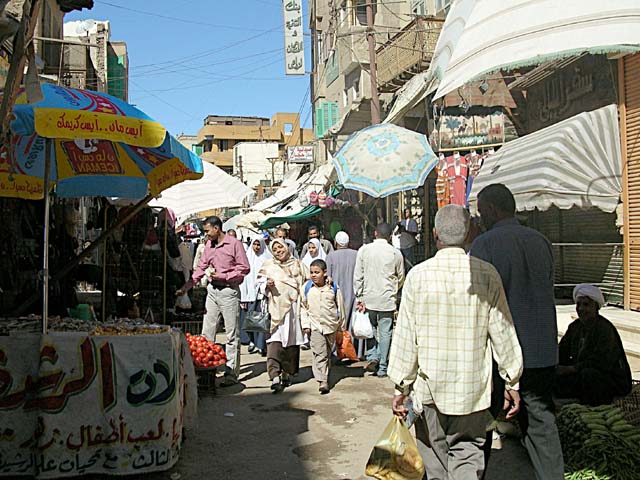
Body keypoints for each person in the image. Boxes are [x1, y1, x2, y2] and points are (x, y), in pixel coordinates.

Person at [389, 205, 523, 479]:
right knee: (467, 456)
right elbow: (503, 332)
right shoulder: (487, 275)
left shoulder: (418, 277)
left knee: (436, 462)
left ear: (435, 234)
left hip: (430, 391)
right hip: (472, 392)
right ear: (470, 233)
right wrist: (511, 381)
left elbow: (406, 337)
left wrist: (401, 385)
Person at [470, 183, 564, 479]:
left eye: (481, 211)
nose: (480, 217)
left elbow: (479, 301)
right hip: (542, 351)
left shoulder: (484, 245)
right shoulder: (541, 241)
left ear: (492, 210)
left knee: (483, 422)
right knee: (542, 425)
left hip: (503, 355)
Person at [176, 216, 250, 387]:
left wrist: (224, 276)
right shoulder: (209, 245)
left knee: (232, 334)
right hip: (212, 291)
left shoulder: (234, 244)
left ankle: (231, 372)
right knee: (207, 332)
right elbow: (201, 267)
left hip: (228, 291)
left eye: (208, 230)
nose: (206, 234)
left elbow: (244, 268)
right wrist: (186, 287)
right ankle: (206, 369)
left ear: (217, 228)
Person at [556, 284, 632, 406]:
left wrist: (572, 369)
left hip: (608, 377)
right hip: (580, 372)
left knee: (589, 375)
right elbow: (562, 351)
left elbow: (602, 362)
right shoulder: (575, 327)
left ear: (595, 307)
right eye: (578, 305)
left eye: (586, 305)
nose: (581, 309)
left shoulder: (605, 329)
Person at [258, 238, 310, 393]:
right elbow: (258, 282)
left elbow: (308, 282)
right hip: (275, 309)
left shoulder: (299, 265)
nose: (278, 252)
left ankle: (287, 373)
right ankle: (274, 375)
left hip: (293, 310)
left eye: (280, 248)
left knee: (291, 343)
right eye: (275, 250)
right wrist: (266, 284)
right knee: (274, 342)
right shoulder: (268, 265)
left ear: (287, 248)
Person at [354, 223, 405, 378]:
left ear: (375, 233)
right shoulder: (395, 253)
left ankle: (373, 357)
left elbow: (358, 276)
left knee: (370, 330)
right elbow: (401, 276)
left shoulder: (364, 250)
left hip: (368, 298)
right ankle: (383, 365)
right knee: (385, 332)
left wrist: (359, 296)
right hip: (387, 299)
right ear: (390, 236)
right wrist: (393, 291)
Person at [301, 259, 346, 394]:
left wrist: (341, 327)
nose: (313, 275)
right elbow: (303, 307)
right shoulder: (307, 288)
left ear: (324, 273)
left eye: (317, 272)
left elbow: (340, 307)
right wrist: (305, 324)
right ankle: (322, 380)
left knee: (326, 353)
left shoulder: (333, 287)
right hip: (315, 326)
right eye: (311, 273)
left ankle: (324, 373)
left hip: (330, 325)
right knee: (319, 353)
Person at [239, 237, 272, 356]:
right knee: (251, 320)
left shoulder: (268, 259)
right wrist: (243, 296)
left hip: (262, 295)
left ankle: (261, 345)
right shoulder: (247, 258)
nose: (257, 247)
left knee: (262, 320)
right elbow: (244, 279)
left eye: (259, 245)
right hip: (249, 295)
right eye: (255, 244)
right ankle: (252, 342)